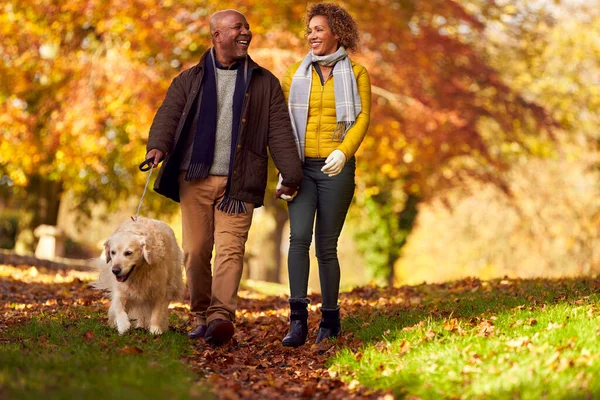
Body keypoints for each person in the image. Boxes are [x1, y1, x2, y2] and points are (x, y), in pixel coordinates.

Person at [146, 9, 302, 346]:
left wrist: (291, 173)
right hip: (196, 178)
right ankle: (200, 314)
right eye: (237, 27)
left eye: (248, 26)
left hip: (240, 181)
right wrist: (157, 146)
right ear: (217, 36)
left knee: (231, 251)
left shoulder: (264, 82)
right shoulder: (190, 79)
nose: (246, 32)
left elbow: (279, 131)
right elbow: (168, 115)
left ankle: (220, 317)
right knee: (196, 250)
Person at [280, 3, 371, 347]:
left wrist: (343, 151)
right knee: (298, 238)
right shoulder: (294, 74)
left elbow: (362, 118)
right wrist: (287, 167)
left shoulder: (358, 73)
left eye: (319, 30)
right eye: (310, 30)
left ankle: (330, 318)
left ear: (337, 33)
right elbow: (283, 124)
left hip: (337, 169)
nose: (312, 36)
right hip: (301, 168)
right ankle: (297, 320)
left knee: (326, 246)